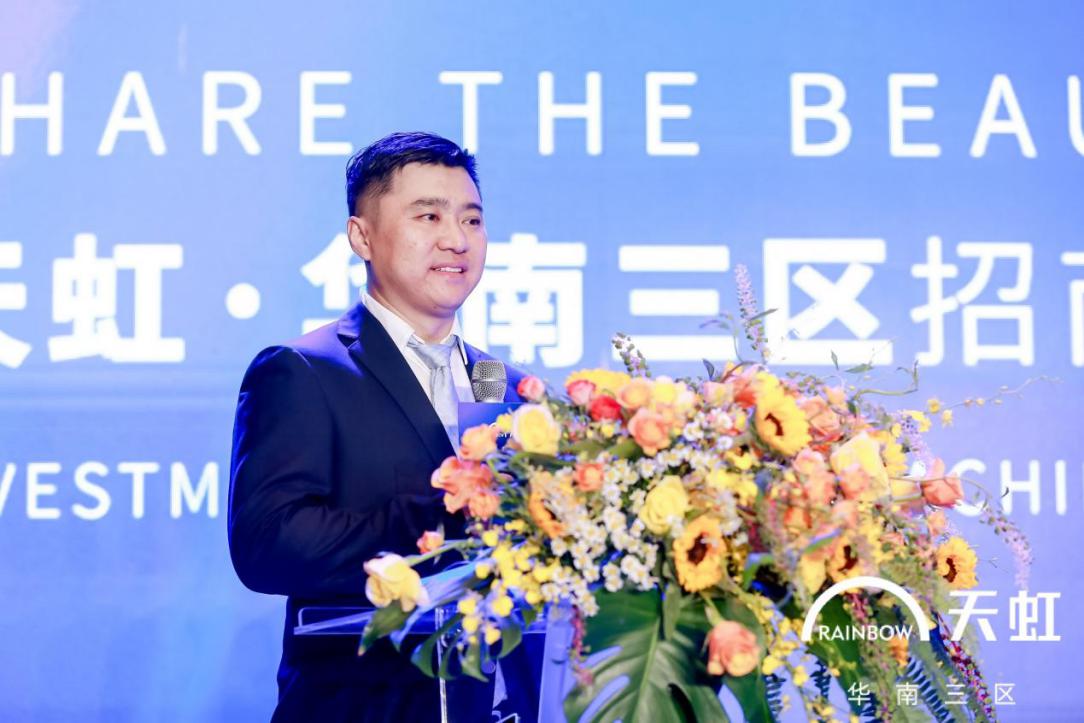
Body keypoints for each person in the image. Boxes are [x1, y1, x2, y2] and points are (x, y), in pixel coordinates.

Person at [228, 132, 532, 722]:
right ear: (361, 237)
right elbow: (267, 544)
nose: (456, 239)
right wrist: (454, 518)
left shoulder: (507, 386)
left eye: (471, 220)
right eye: (429, 216)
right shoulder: (303, 371)